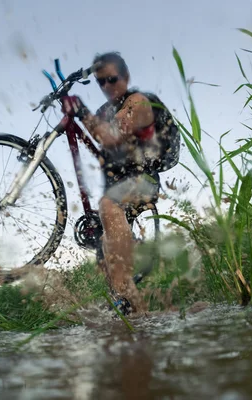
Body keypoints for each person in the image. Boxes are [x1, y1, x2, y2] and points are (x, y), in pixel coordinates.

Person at [61, 52, 179, 315]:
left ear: (125, 77)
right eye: (100, 82)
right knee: (107, 257)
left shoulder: (138, 102)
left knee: (108, 205)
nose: (106, 87)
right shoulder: (105, 111)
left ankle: (128, 297)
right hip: (118, 186)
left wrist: (80, 110)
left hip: (143, 180)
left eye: (112, 79)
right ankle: (134, 314)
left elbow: (110, 136)